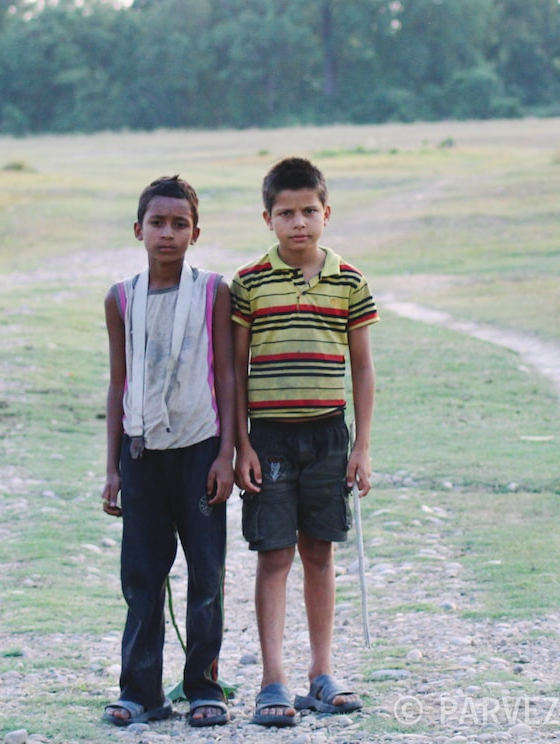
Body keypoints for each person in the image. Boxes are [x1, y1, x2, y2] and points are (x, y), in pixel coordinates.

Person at [231, 156, 378, 727]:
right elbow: (235, 369)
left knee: (320, 550)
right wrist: (241, 442)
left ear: (326, 213)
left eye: (309, 211)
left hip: (327, 435)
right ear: (267, 218)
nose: (299, 222)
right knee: (274, 555)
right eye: (286, 213)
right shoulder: (248, 283)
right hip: (267, 437)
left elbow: (362, 369)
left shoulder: (350, 281)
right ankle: (273, 681)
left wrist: (361, 448)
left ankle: (322, 673)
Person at [101, 175, 236, 729]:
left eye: (180, 224)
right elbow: (118, 384)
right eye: (157, 223)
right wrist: (111, 468)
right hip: (141, 454)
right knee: (141, 575)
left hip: (200, 449)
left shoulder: (212, 292)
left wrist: (226, 453)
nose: (167, 233)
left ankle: (203, 686)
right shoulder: (121, 298)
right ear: (139, 229)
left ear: (195, 233)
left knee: (206, 573)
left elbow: (226, 375)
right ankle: (141, 692)